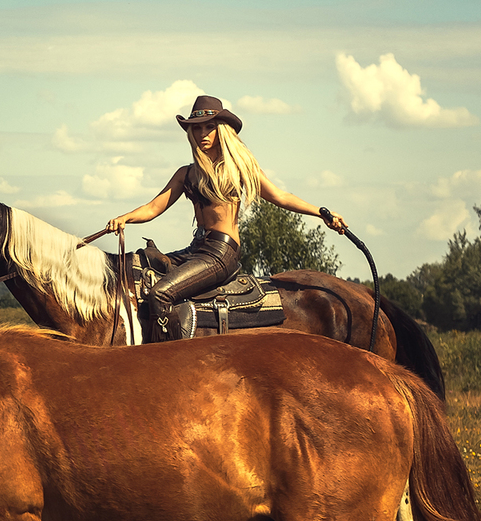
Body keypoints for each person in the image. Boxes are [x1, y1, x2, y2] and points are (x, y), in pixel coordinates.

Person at [105, 94, 347, 340]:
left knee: (160, 294)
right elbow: (153, 207)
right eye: (196, 128)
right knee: (140, 269)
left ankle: (167, 356)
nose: (203, 134)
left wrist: (321, 212)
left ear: (221, 130)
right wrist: (124, 218)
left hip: (221, 253)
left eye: (209, 127)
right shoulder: (186, 174)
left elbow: (280, 196)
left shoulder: (238, 169)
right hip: (196, 249)